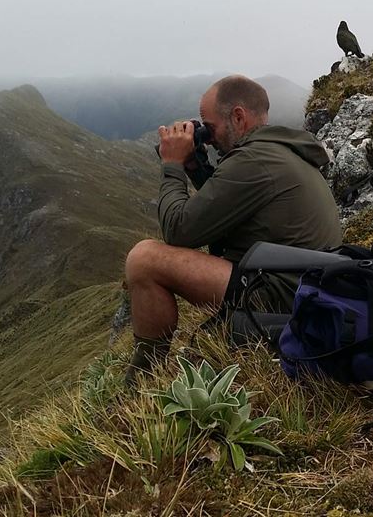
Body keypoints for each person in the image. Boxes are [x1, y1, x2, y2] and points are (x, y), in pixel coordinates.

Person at [124, 75, 342, 384]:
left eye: (208, 127)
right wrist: (195, 168)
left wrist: (172, 164)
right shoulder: (279, 151)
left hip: (283, 294)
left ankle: (142, 377)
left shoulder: (253, 161)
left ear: (238, 117)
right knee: (200, 346)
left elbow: (178, 230)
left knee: (144, 259)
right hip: (306, 285)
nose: (208, 138)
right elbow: (223, 209)